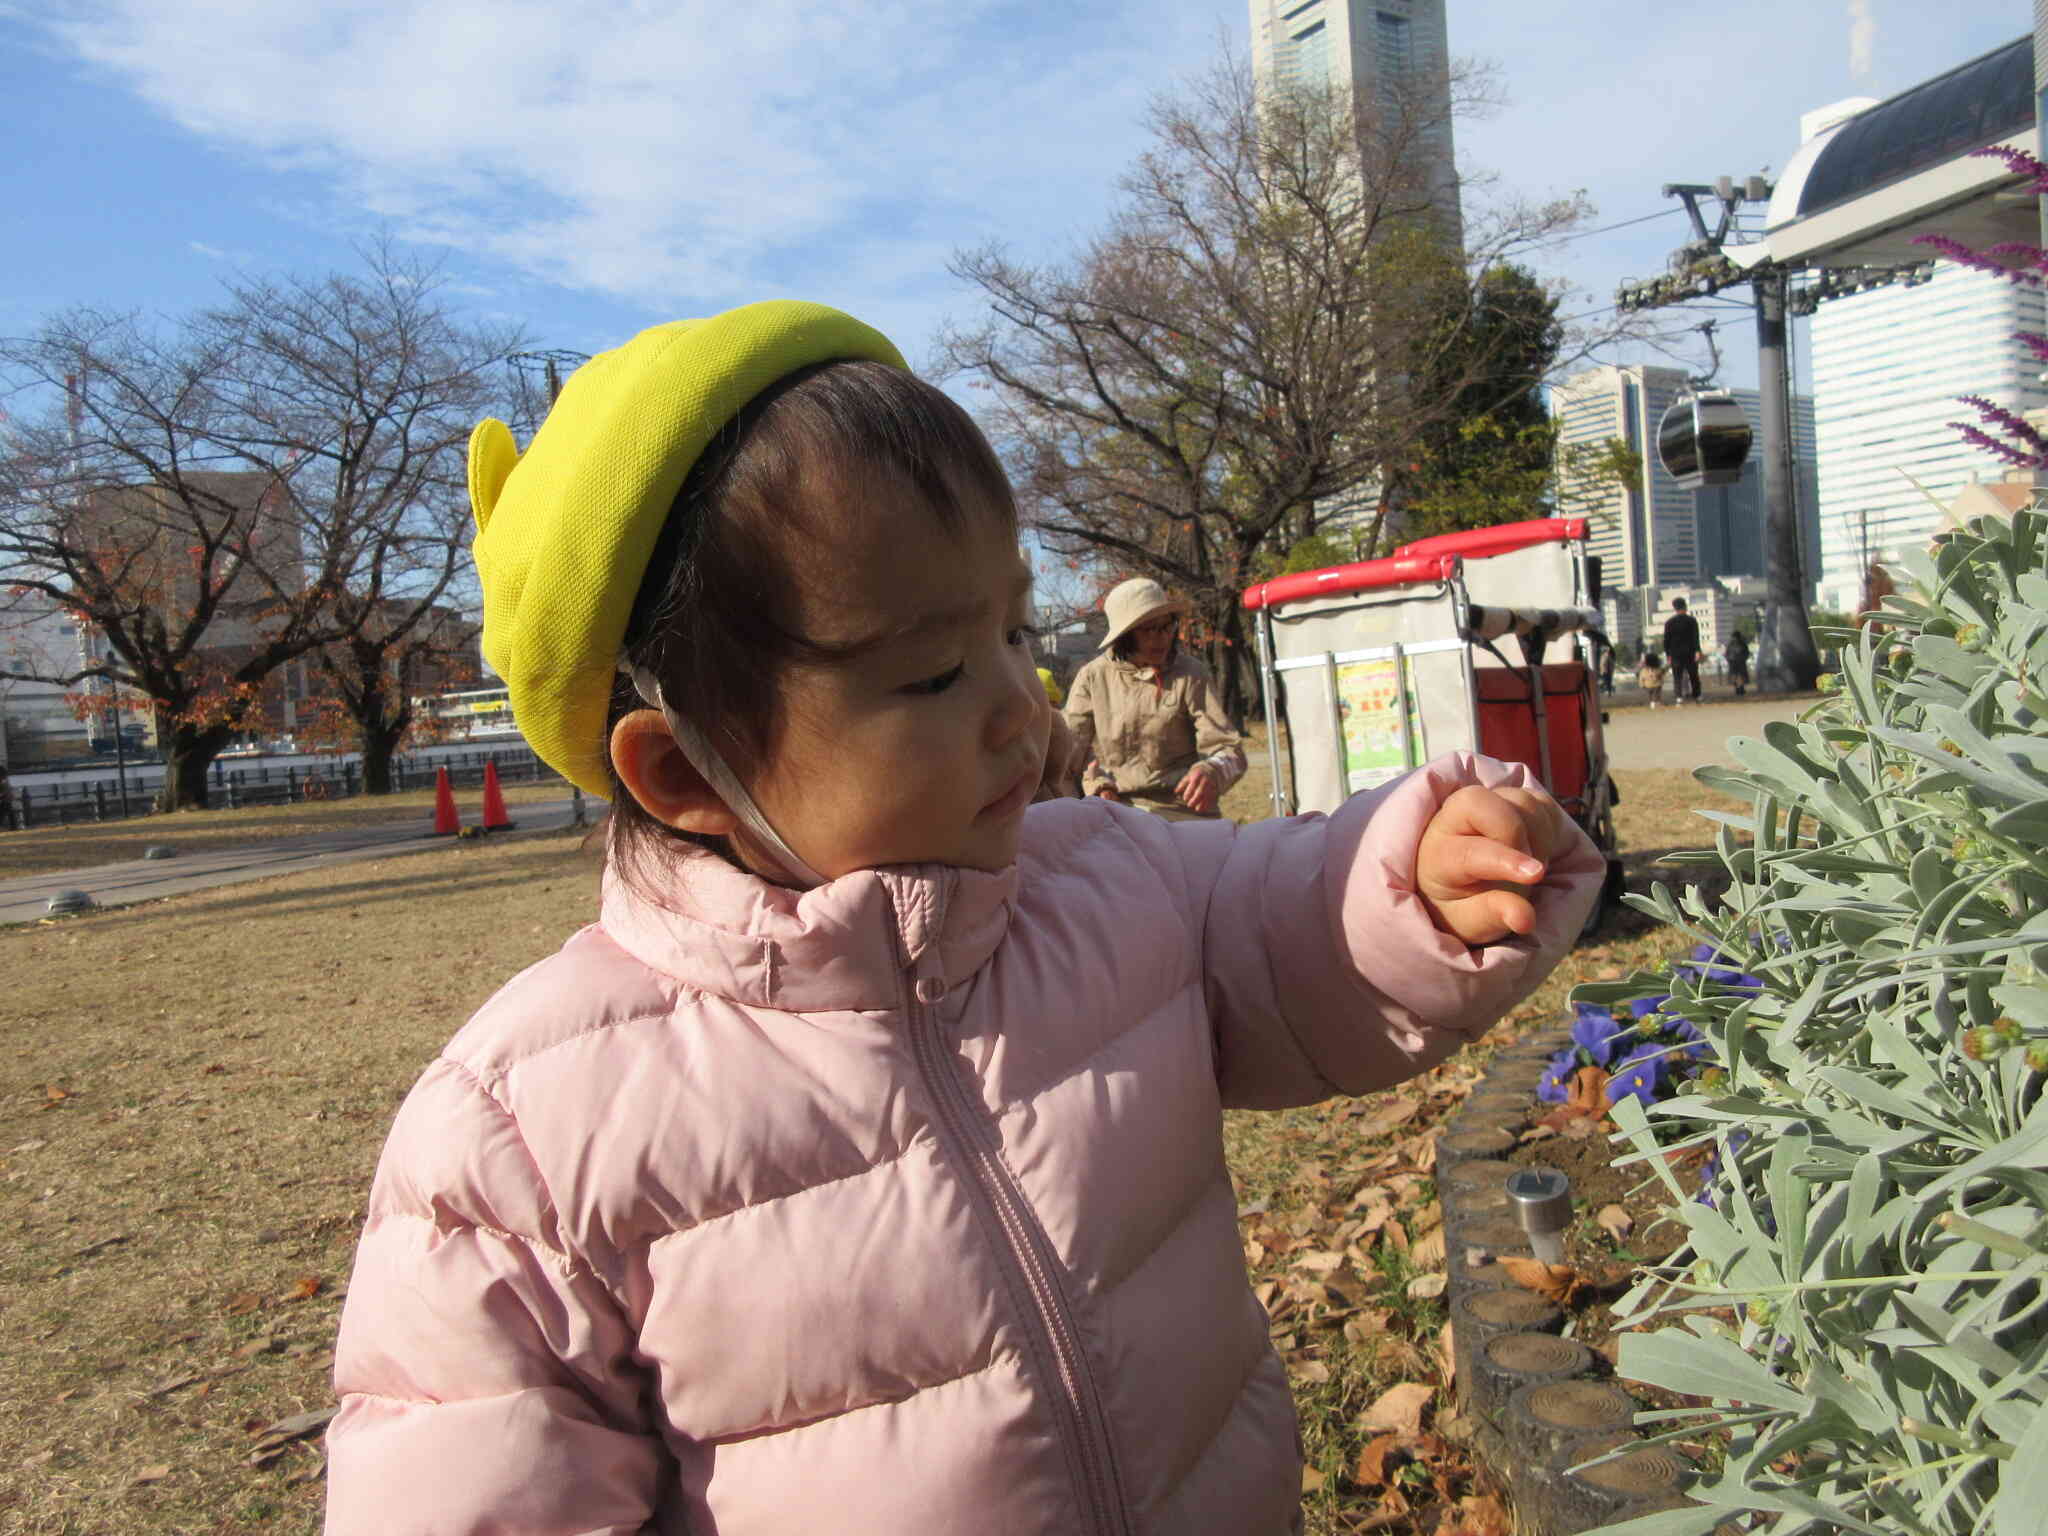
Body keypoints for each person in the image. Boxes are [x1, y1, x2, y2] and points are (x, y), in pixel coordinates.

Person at [324, 301, 1602, 1536]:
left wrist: (1408, 870)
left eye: (1008, 626)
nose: (1017, 705)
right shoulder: (521, 1137)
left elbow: (1288, 920)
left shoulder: (1104, 881)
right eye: (933, 670)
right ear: (683, 771)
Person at [1063, 579, 1246, 820]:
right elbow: (1067, 753)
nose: (1161, 638)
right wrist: (1096, 784)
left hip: (1181, 811)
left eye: (1166, 627)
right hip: (1114, 813)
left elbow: (1230, 751)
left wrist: (1211, 770)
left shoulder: (1190, 673)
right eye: (1148, 629)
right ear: (1125, 636)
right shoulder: (1092, 677)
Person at [1662, 597, 1702, 704]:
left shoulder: (1669, 623)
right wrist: (1697, 651)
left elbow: (1666, 640)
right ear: (1685, 606)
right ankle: (1697, 695)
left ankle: (1678, 696)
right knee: (1693, 675)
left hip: (1675, 653)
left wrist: (1668, 654)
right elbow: (1696, 638)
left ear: (1675, 608)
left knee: (1677, 676)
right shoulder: (1691, 621)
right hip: (1690, 652)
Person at [1726, 628, 1751, 697]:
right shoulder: (1735, 644)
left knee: (1739, 677)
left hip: (1738, 662)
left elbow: (1746, 653)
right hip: (1735, 662)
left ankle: (1740, 689)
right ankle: (1738, 689)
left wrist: (1743, 659)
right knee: (1737, 677)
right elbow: (1727, 653)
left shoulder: (1740, 644)